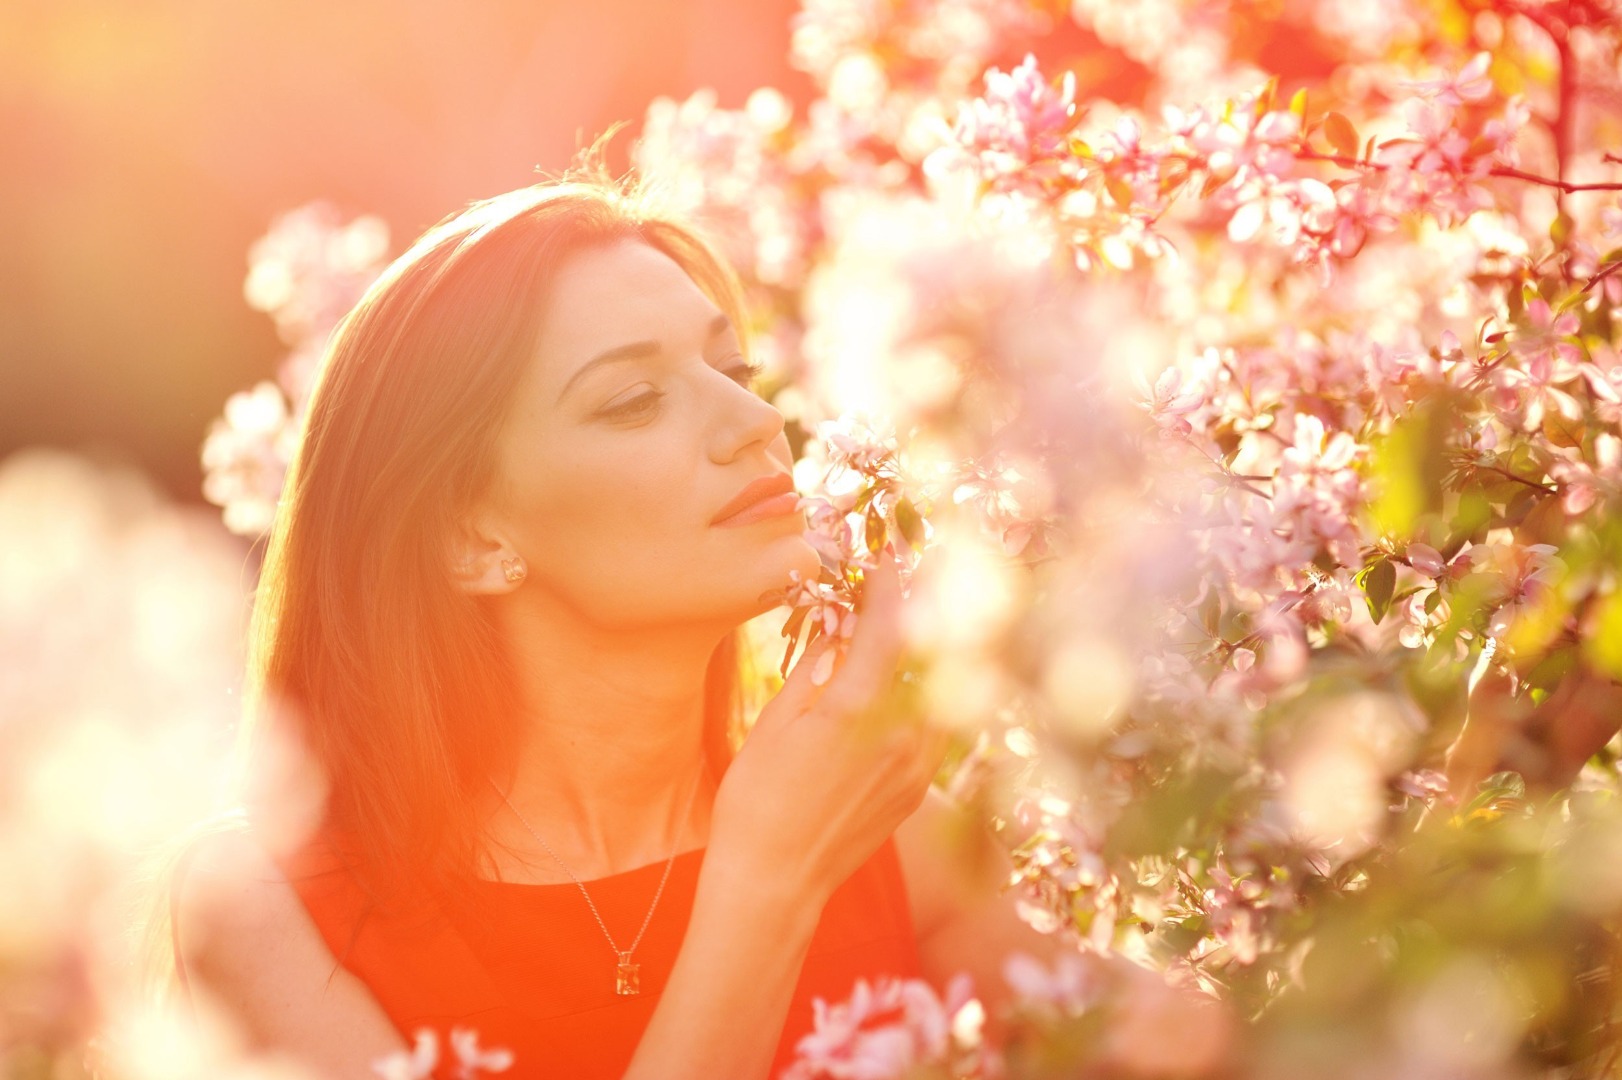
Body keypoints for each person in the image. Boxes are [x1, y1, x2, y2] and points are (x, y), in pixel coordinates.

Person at [148, 158, 1066, 1080]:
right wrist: (767, 882)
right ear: (470, 537)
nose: (754, 418)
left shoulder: (884, 831)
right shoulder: (269, 909)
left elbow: (1179, 1044)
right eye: (633, 400)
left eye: (733, 367)